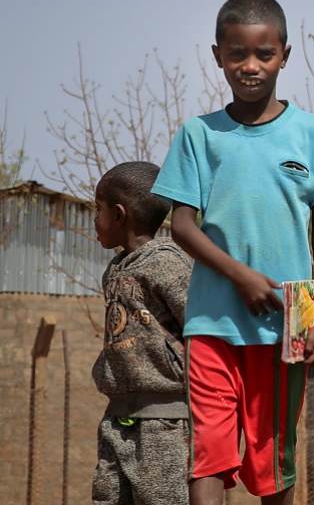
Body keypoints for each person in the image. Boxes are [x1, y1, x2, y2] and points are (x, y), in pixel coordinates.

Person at [153, 0, 314, 504]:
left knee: (274, 461)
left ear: (285, 55)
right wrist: (240, 275)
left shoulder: (313, 134)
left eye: (264, 54)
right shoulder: (200, 135)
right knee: (210, 455)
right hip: (211, 324)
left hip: (287, 322)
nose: (250, 66)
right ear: (217, 54)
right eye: (237, 53)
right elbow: (181, 225)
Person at [90, 161, 193, 505]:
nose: (94, 218)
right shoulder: (114, 270)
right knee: (106, 495)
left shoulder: (168, 264)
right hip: (117, 415)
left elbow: (198, 328)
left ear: (120, 215)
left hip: (164, 422)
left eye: (97, 209)